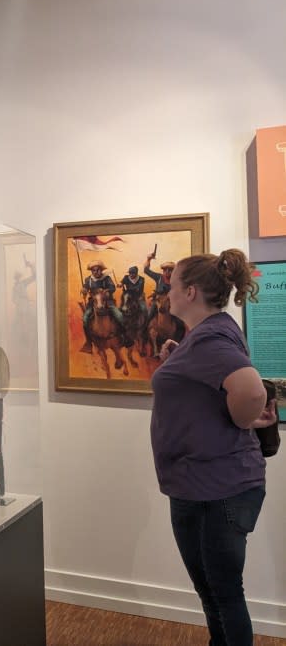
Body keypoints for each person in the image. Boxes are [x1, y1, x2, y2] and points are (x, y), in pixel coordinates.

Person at [151, 249, 277, 646]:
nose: (166, 295)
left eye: (171, 287)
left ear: (190, 292)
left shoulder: (209, 338)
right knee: (213, 591)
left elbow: (250, 389)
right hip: (200, 483)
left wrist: (243, 418)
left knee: (223, 592)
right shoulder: (206, 335)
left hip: (218, 487)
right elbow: (210, 387)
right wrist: (178, 359)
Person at [80, 260, 129, 353]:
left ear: (101, 270)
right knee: (85, 318)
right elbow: (85, 287)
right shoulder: (88, 279)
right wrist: (84, 290)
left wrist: (106, 291)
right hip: (93, 302)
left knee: (119, 316)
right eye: (93, 270)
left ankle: (125, 337)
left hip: (107, 301)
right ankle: (88, 342)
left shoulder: (106, 278)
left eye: (97, 270)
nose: (95, 272)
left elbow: (112, 288)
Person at [144, 252, 175, 325]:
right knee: (149, 316)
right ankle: (144, 330)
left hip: (172, 303)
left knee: (180, 319)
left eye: (170, 270)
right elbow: (146, 270)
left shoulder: (176, 280)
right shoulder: (159, 277)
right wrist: (149, 259)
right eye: (165, 270)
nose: (167, 272)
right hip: (158, 302)